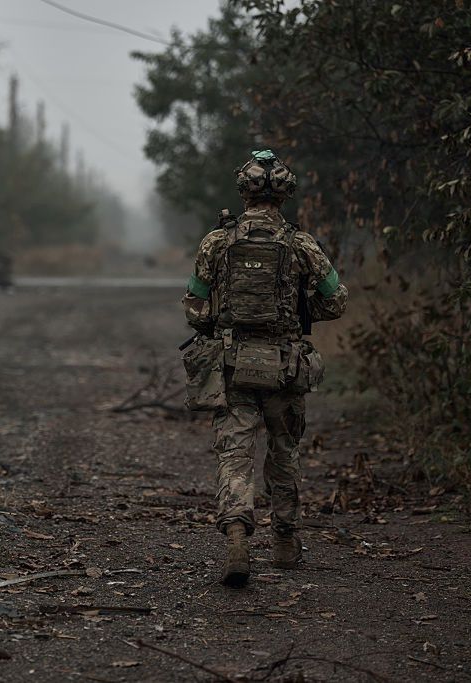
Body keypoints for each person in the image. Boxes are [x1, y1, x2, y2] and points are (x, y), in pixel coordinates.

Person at [180, 149, 348, 587]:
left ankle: (237, 534)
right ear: (286, 195)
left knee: (235, 455)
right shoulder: (302, 244)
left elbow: (195, 310)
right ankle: (285, 540)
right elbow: (336, 300)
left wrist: (219, 316)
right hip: (284, 366)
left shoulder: (216, 242)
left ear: (243, 191)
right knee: (284, 451)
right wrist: (300, 308)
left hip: (233, 365)